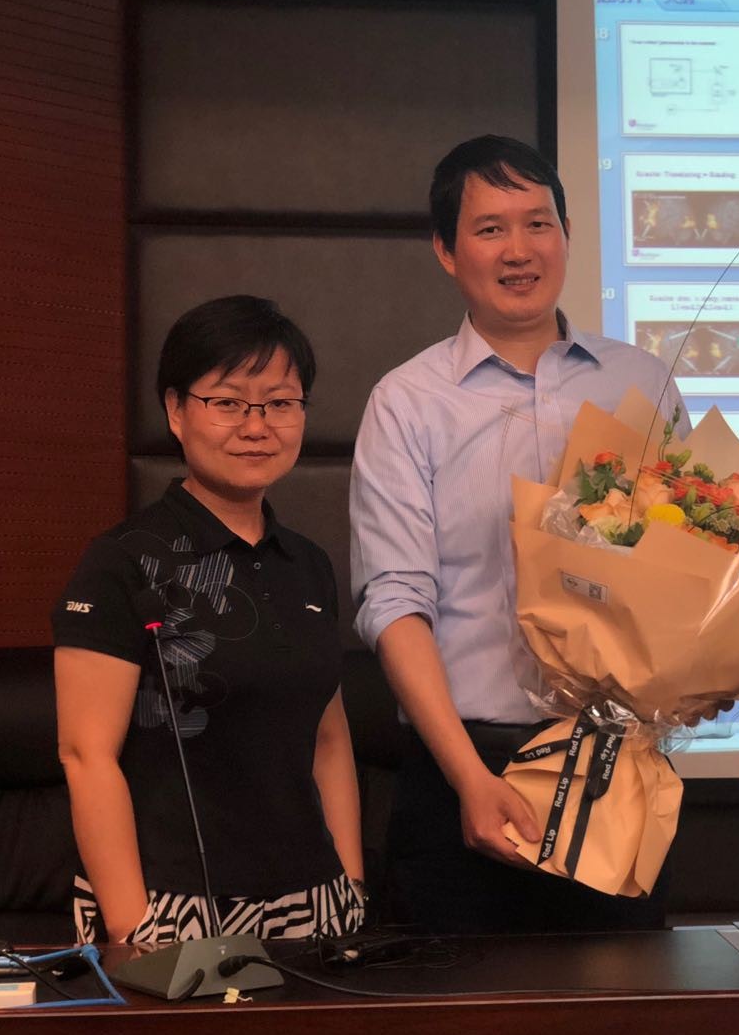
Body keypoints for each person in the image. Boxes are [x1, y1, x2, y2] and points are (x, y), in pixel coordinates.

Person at [350, 135, 687, 934]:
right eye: (490, 228)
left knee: (626, 1007)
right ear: (446, 250)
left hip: (616, 772)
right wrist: (469, 777)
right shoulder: (407, 402)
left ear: (568, 235)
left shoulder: (641, 383)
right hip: (462, 773)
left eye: (538, 224)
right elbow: (394, 602)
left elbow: (688, 569)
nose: (519, 250)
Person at [53, 295, 366, 944]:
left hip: (315, 901)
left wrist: (352, 887)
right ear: (176, 410)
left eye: (280, 403)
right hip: (170, 907)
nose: (257, 426)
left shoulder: (308, 564)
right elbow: (86, 754)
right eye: (228, 402)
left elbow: (329, 739)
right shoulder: (123, 561)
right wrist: (133, 928)